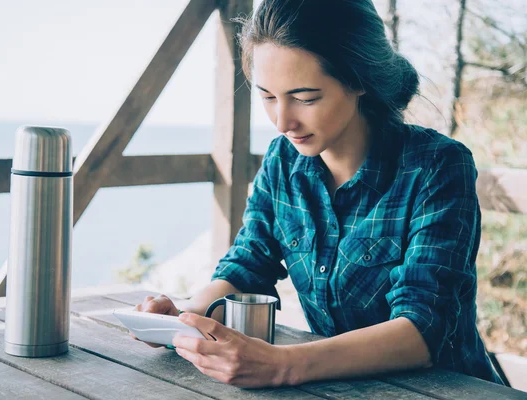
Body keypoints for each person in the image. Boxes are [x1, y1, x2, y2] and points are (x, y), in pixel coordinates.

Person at [133, 0, 504, 388]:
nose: (282, 121)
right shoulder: (283, 160)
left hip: (452, 391)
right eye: (268, 96)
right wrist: (184, 318)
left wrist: (282, 364)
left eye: (305, 98)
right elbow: (248, 264)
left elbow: (422, 330)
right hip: (340, 388)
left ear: (359, 79)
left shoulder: (437, 166)